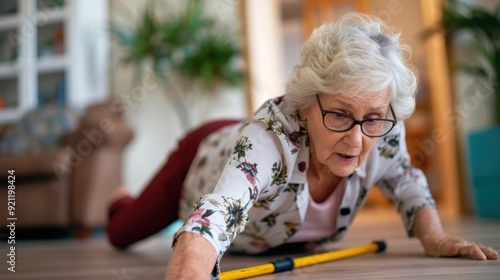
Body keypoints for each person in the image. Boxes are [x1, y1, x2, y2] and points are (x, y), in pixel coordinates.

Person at [106, 13, 499, 280]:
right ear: (308, 104)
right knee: (121, 233)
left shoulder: (381, 125)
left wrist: (437, 238)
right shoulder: (267, 141)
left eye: (372, 118)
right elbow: (219, 212)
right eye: (340, 114)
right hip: (203, 155)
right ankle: (123, 199)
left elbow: (405, 179)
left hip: (254, 187)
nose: (357, 138)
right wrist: (191, 266)